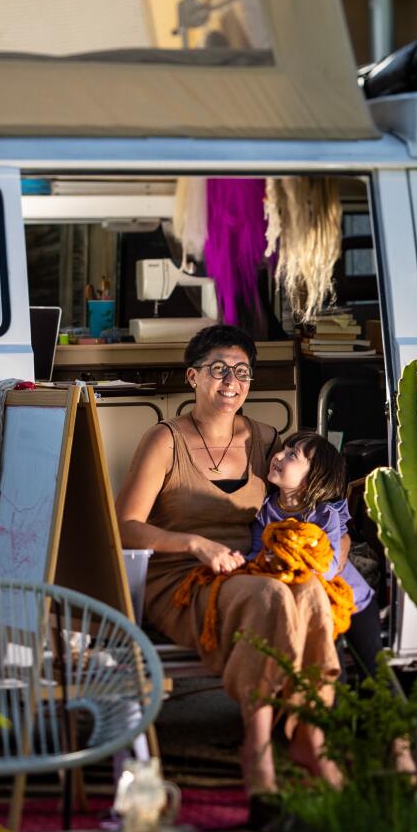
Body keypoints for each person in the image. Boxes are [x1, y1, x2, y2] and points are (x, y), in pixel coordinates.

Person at [115, 324, 344, 797]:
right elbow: (126, 525)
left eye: (242, 372)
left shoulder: (266, 441)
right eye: (218, 369)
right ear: (193, 377)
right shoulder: (165, 441)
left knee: (312, 596)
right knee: (272, 599)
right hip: (179, 577)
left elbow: (316, 504)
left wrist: (332, 556)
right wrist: (195, 543)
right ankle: (257, 746)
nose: (231, 381)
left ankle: (309, 731)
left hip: (251, 570)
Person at [254, 431, 381, 669]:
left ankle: (389, 705)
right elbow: (255, 554)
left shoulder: (324, 515)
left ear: (314, 477)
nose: (278, 456)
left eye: (292, 454)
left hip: (354, 601)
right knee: (328, 667)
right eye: (283, 449)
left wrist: (284, 560)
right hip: (313, 605)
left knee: (375, 670)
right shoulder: (266, 511)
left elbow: (329, 567)